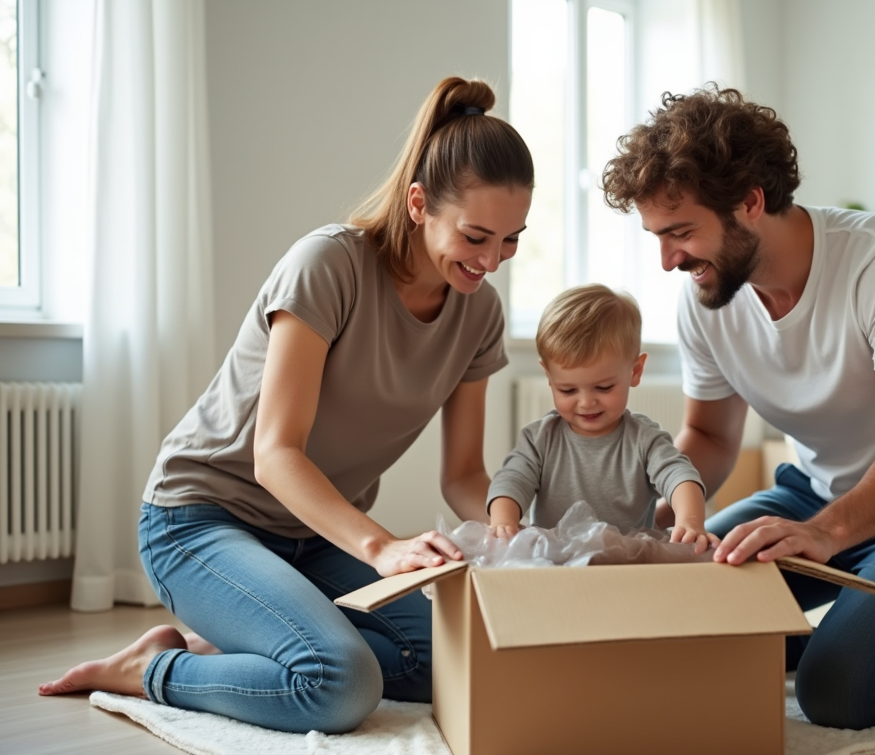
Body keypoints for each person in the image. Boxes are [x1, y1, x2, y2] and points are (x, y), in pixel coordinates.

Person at [39, 77, 535, 734]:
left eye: (511, 241)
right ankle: (151, 670)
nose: (491, 261)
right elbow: (275, 456)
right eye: (475, 237)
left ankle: (257, 644)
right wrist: (381, 547)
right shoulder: (329, 265)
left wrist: (524, 542)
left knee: (441, 658)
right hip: (199, 520)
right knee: (340, 684)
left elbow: (464, 474)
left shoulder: (479, 314)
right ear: (419, 204)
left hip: (311, 539)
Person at [601, 85, 875, 730]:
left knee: (841, 691)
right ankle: (874, 631)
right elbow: (710, 436)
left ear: (750, 201)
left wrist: (826, 534)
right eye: (658, 237)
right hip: (809, 497)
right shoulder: (709, 295)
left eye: (681, 233)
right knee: (665, 618)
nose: (668, 261)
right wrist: (637, 520)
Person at [487, 284, 718, 552]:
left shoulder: (644, 439)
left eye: (603, 387)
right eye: (568, 390)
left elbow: (679, 475)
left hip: (628, 565)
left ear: (635, 370)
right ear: (549, 378)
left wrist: (690, 521)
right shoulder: (539, 439)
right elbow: (511, 480)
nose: (586, 402)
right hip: (556, 565)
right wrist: (503, 521)